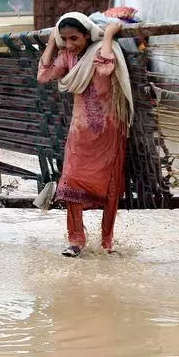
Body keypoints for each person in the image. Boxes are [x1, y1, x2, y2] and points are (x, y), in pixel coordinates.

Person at [37, 13, 133, 257]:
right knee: (70, 181)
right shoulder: (67, 56)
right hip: (80, 133)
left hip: (109, 131)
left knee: (109, 187)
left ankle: (107, 241)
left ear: (87, 35)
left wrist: (109, 34)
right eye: (65, 39)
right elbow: (44, 75)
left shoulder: (101, 49)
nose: (70, 44)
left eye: (75, 38)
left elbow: (106, 67)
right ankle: (76, 239)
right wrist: (51, 42)